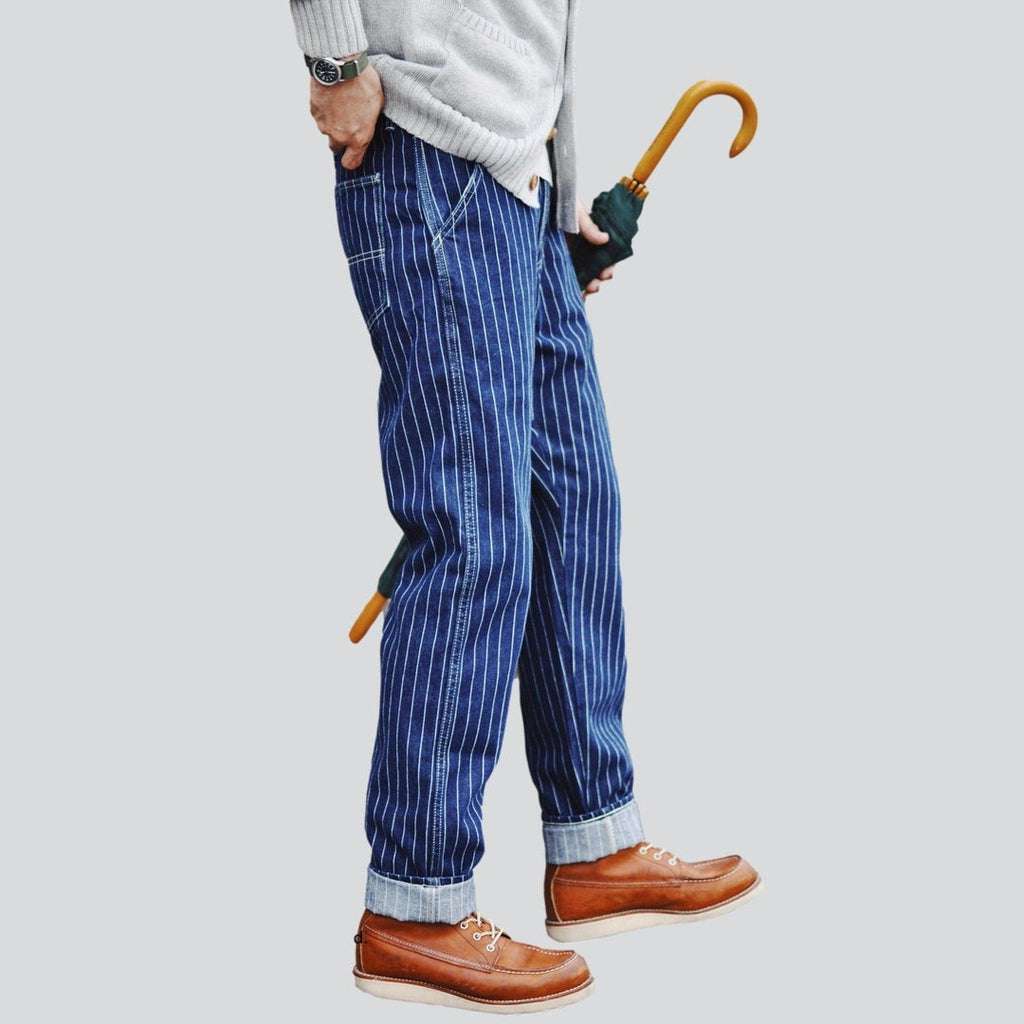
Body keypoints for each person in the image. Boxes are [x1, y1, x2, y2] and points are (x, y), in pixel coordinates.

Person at [291, 1, 761, 1012]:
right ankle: (414, 903)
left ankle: (594, 845)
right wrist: (333, 58)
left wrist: (558, 200)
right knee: (473, 533)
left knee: (572, 501)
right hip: (429, 145)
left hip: (518, 177)